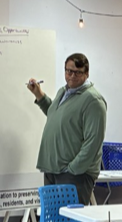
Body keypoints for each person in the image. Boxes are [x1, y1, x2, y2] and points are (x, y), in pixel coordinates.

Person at [27, 53, 107, 206]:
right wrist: (38, 94)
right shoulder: (63, 92)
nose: (72, 75)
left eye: (78, 72)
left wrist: (73, 169)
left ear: (87, 73)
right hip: (53, 169)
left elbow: (93, 141)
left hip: (73, 174)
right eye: (68, 71)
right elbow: (55, 114)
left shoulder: (93, 100)